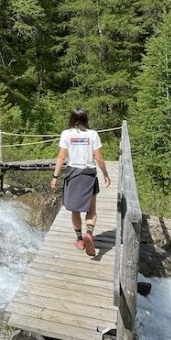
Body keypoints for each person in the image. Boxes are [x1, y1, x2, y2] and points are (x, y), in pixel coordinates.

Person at [49, 107, 110, 256]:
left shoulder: (66, 134)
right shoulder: (93, 134)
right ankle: (89, 233)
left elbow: (61, 158)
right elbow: (98, 158)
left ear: (72, 119)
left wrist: (55, 177)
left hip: (73, 175)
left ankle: (80, 240)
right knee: (91, 210)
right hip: (89, 175)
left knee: (75, 210)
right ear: (85, 119)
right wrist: (105, 174)